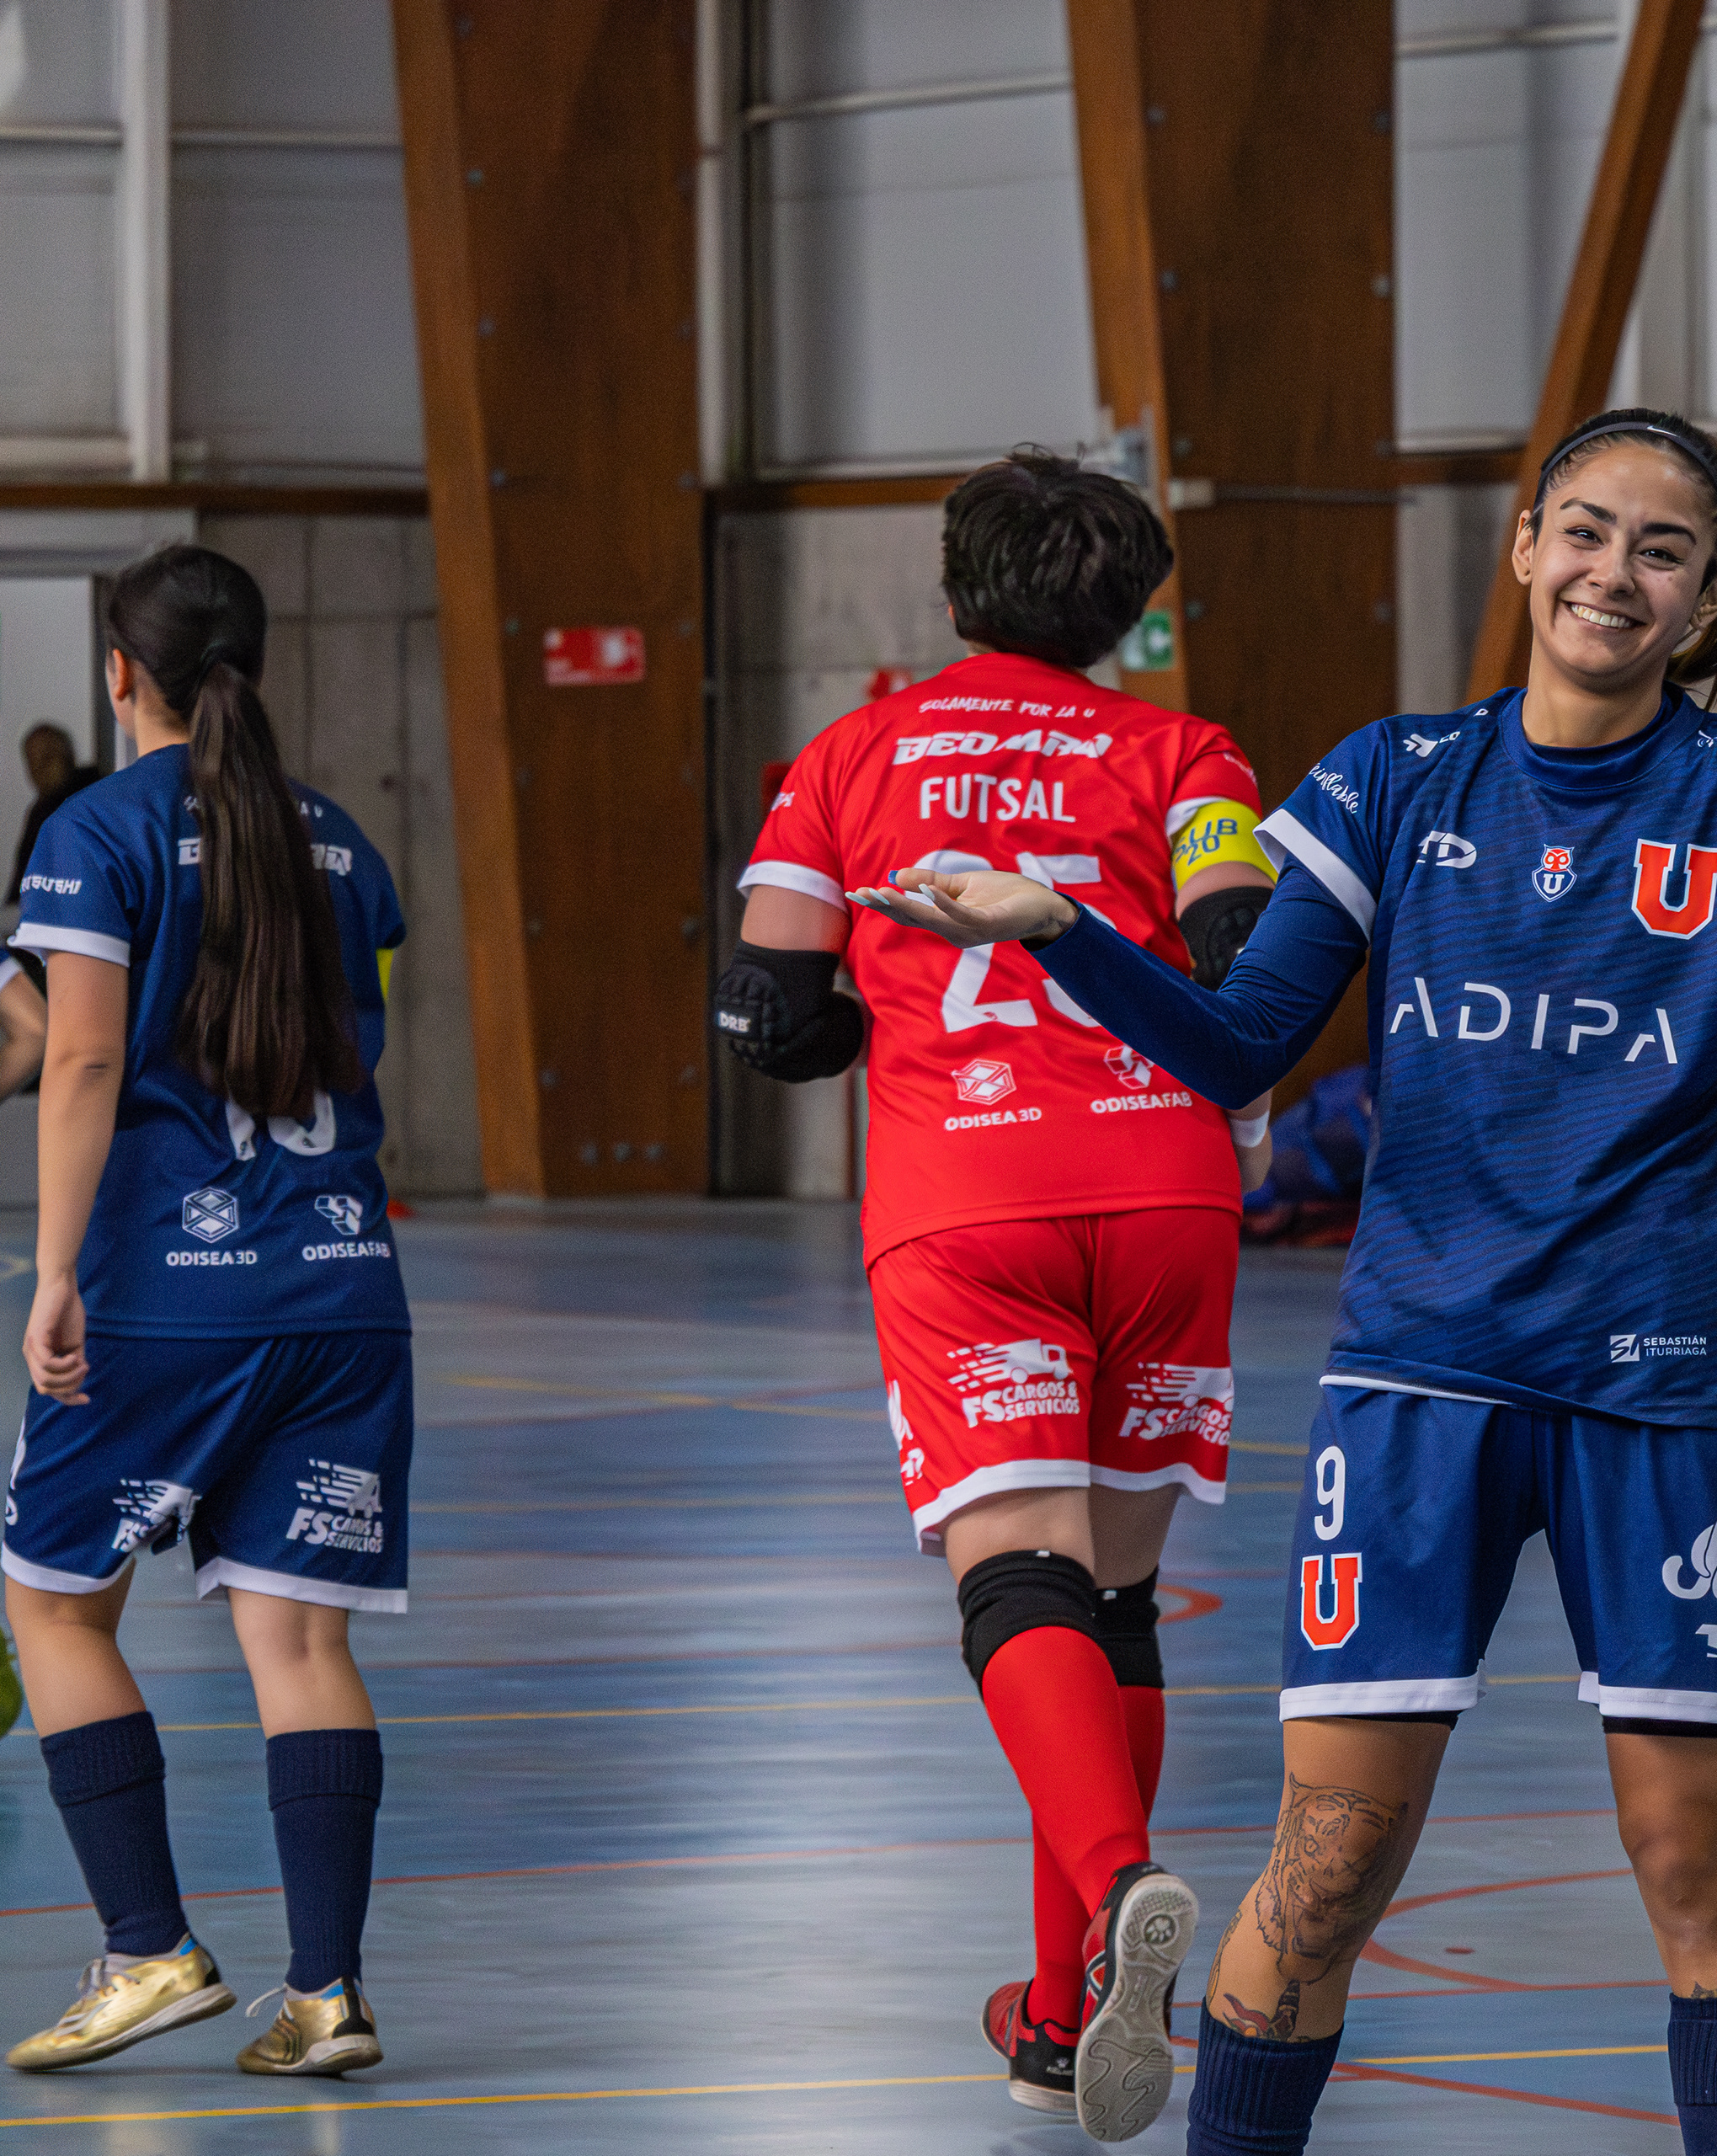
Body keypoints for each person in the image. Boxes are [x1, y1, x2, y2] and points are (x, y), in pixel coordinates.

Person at [851, 408, 1717, 2156]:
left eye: (1662, 550)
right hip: (1419, 1387)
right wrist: (1063, 932)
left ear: (1706, 600)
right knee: (1325, 1866)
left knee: (1696, 1862)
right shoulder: (1392, 775)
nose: (1615, 571)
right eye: (1586, 531)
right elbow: (1238, 1042)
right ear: (1525, 547)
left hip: (1664, 1401)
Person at [720, 450, 1276, 2136]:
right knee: (1115, 1598)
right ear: (1129, 611)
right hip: (1169, 1188)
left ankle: (1118, 1888)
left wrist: (873, 1011)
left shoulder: (849, 755)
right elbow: (1245, 960)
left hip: (969, 1195)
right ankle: (1055, 2016)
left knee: (1018, 1575)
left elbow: (767, 1010)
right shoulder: (1187, 752)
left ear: (956, 587)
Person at [3, 544, 410, 2079]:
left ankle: (149, 1947)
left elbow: (83, 1058)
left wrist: (54, 1271)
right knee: (299, 1642)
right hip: (346, 1289)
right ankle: (328, 1995)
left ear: (123, 675)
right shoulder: (340, 841)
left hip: (170, 1296)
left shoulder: (95, 829)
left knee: (53, 1606)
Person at [13, 724, 101, 891]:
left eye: (47, 757)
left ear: (67, 756)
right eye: (32, 762)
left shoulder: (95, 796)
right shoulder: (40, 812)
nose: (39, 768)